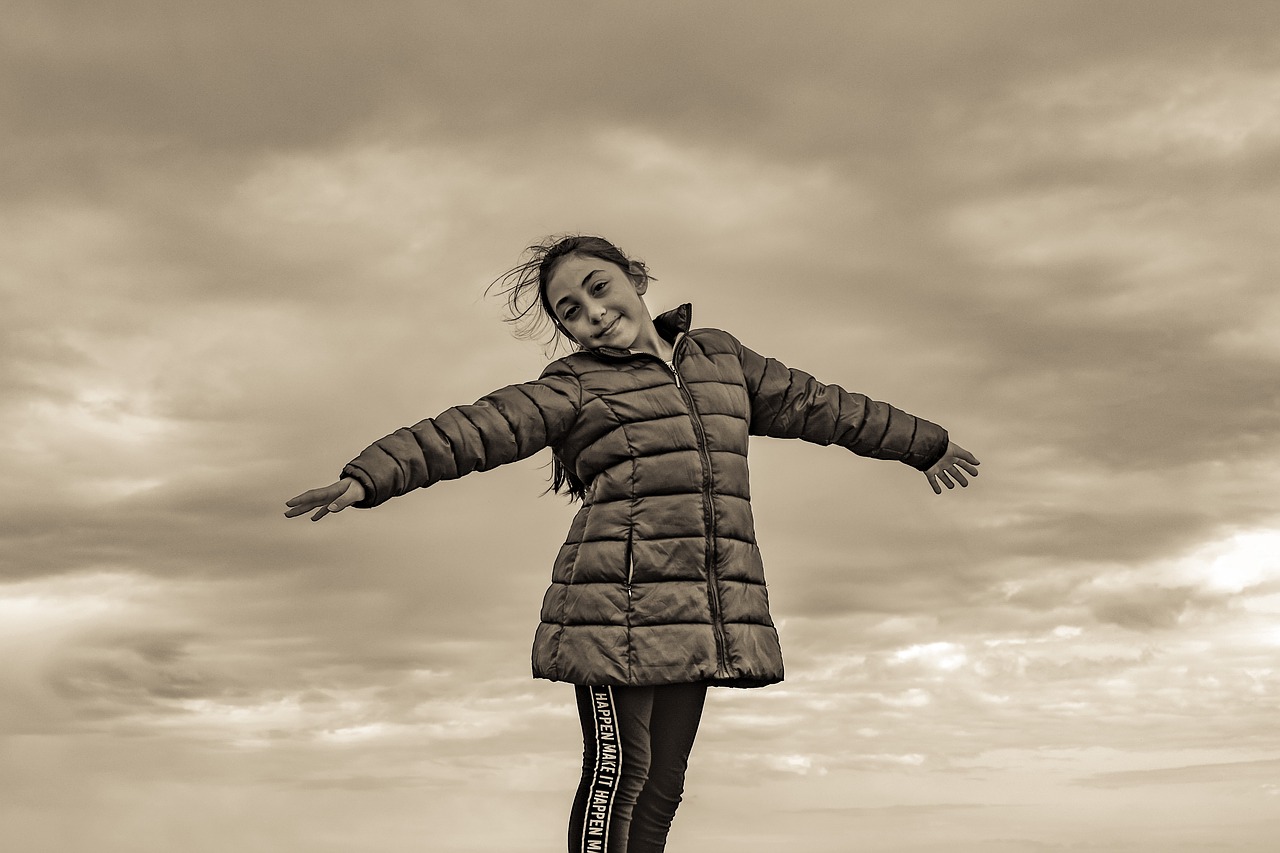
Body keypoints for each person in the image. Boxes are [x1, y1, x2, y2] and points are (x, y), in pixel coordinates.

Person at [285, 234, 980, 852]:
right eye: (570, 309)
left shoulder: (720, 358)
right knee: (621, 773)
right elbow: (475, 428)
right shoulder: (575, 386)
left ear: (636, 280)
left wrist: (924, 443)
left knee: (666, 786)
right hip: (610, 609)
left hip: (696, 610)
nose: (591, 311)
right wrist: (368, 477)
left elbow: (820, 404)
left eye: (598, 287)